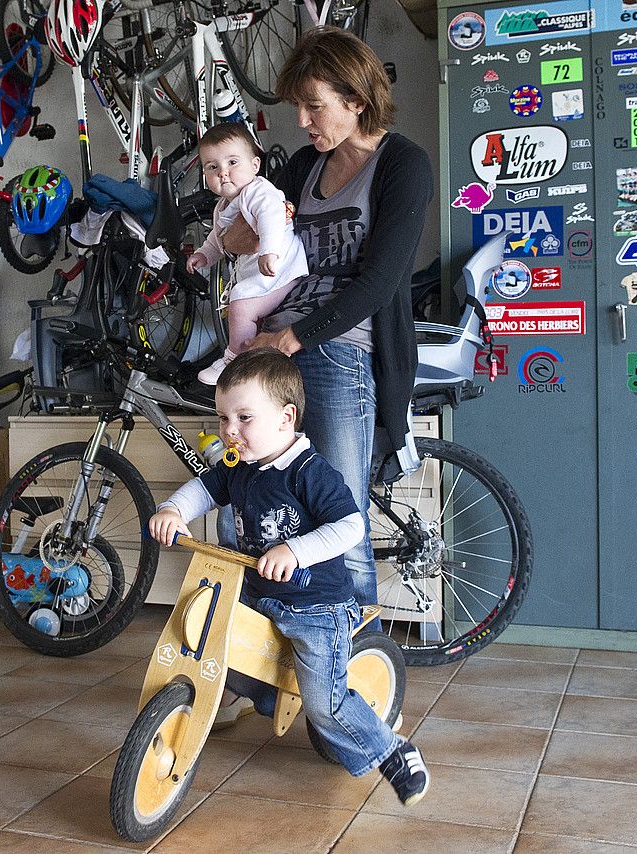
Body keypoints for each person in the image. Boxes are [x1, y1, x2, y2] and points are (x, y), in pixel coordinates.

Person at [147, 349, 430, 806]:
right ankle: (264, 695)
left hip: (315, 606)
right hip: (260, 596)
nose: (229, 431)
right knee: (221, 652)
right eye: (223, 418)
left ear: (286, 418)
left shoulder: (308, 471)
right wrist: (174, 508)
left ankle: (391, 751)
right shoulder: (239, 466)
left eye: (243, 417)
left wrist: (295, 551)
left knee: (325, 706)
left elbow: (350, 526)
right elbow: (205, 487)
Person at [221, 26, 434, 613]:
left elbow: (382, 281)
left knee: (339, 520)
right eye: (300, 107)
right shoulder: (302, 169)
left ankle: (355, 684)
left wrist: (291, 337)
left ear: (356, 100)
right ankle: (282, 675)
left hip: (341, 349)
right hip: (276, 347)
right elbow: (243, 237)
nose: (303, 122)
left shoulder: (403, 165)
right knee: (253, 506)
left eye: (313, 106)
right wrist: (241, 208)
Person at [187, 123, 308, 385]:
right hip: (265, 271)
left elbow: (272, 218)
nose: (223, 173)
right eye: (212, 167)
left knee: (240, 302)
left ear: (255, 165)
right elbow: (217, 238)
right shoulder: (223, 205)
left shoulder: (258, 191)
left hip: (282, 269)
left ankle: (234, 360)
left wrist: (268, 251)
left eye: (232, 162)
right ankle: (250, 360)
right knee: (243, 305)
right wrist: (204, 255)